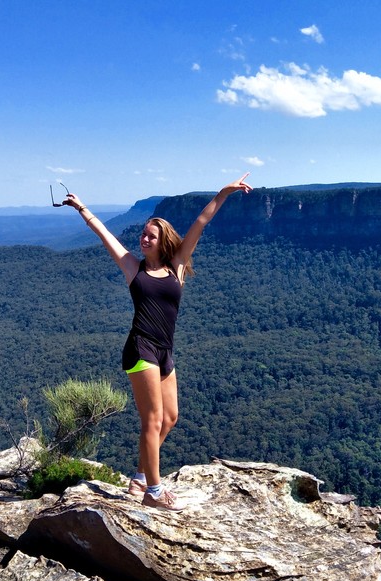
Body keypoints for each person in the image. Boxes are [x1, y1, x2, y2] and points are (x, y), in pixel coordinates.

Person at [62, 173, 252, 511]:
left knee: (170, 418)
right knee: (151, 420)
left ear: (163, 240)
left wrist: (223, 193)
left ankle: (139, 477)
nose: (143, 239)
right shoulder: (133, 268)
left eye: (150, 236)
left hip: (165, 352)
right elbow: (104, 234)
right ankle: (153, 491)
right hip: (141, 348)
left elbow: (200, 222)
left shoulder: (177, 267)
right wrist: (82, 208)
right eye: (142, 234)